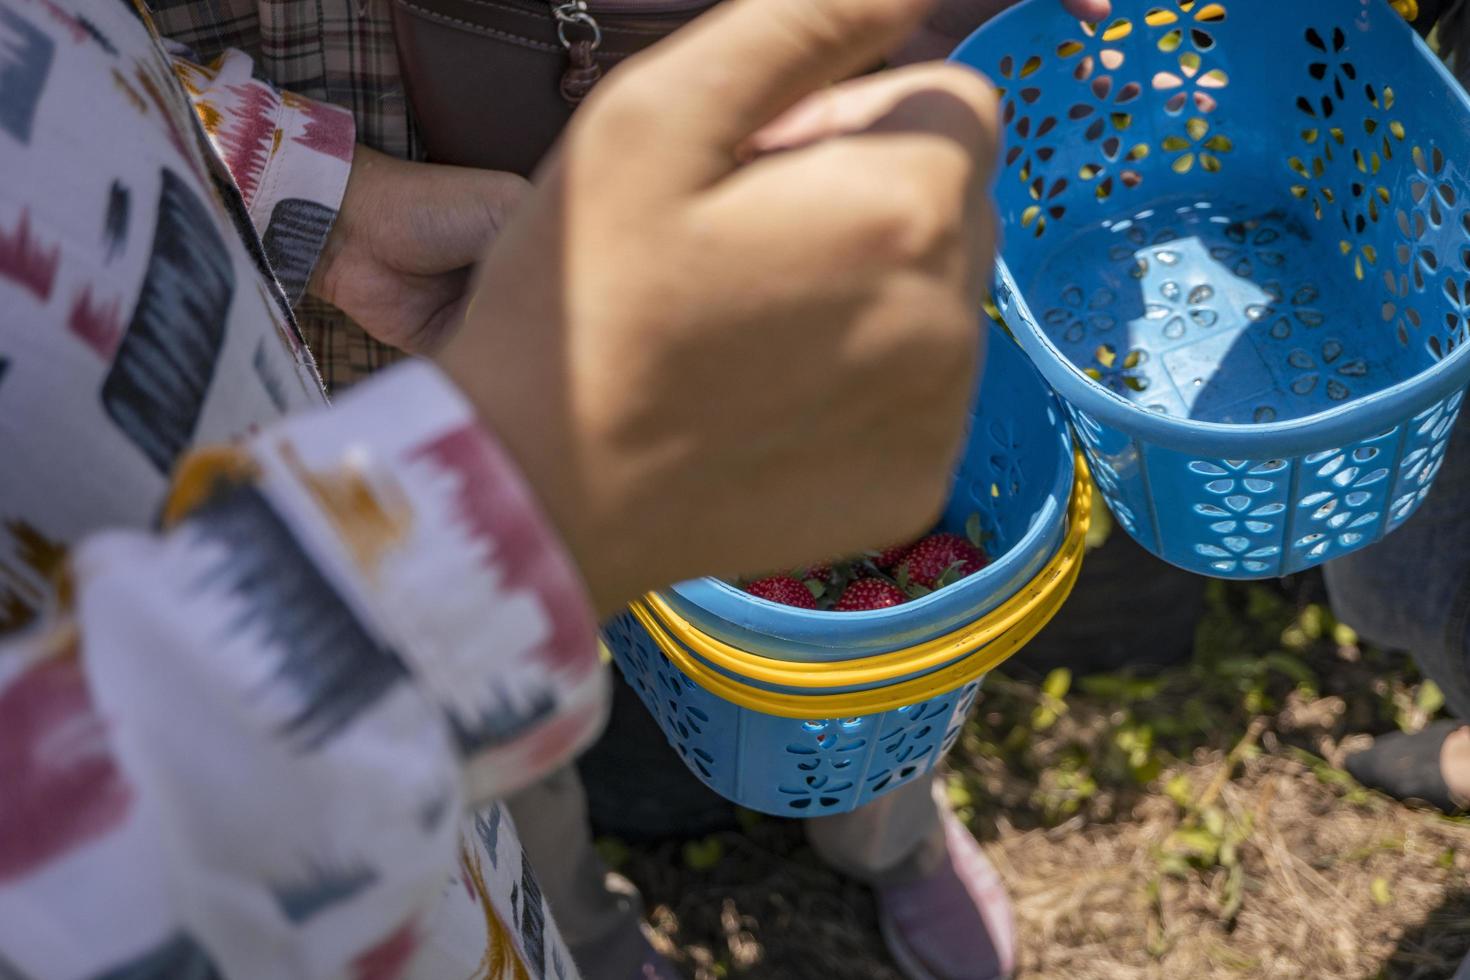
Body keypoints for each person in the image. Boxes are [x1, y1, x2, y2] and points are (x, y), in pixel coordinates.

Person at [0, 0, 1006, 978]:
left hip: (290, 405)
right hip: (342, 510)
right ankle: (586, 931)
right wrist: (488, 515)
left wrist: (320, 191)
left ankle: (879, 833)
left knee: (854, 659)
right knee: (507, 761)